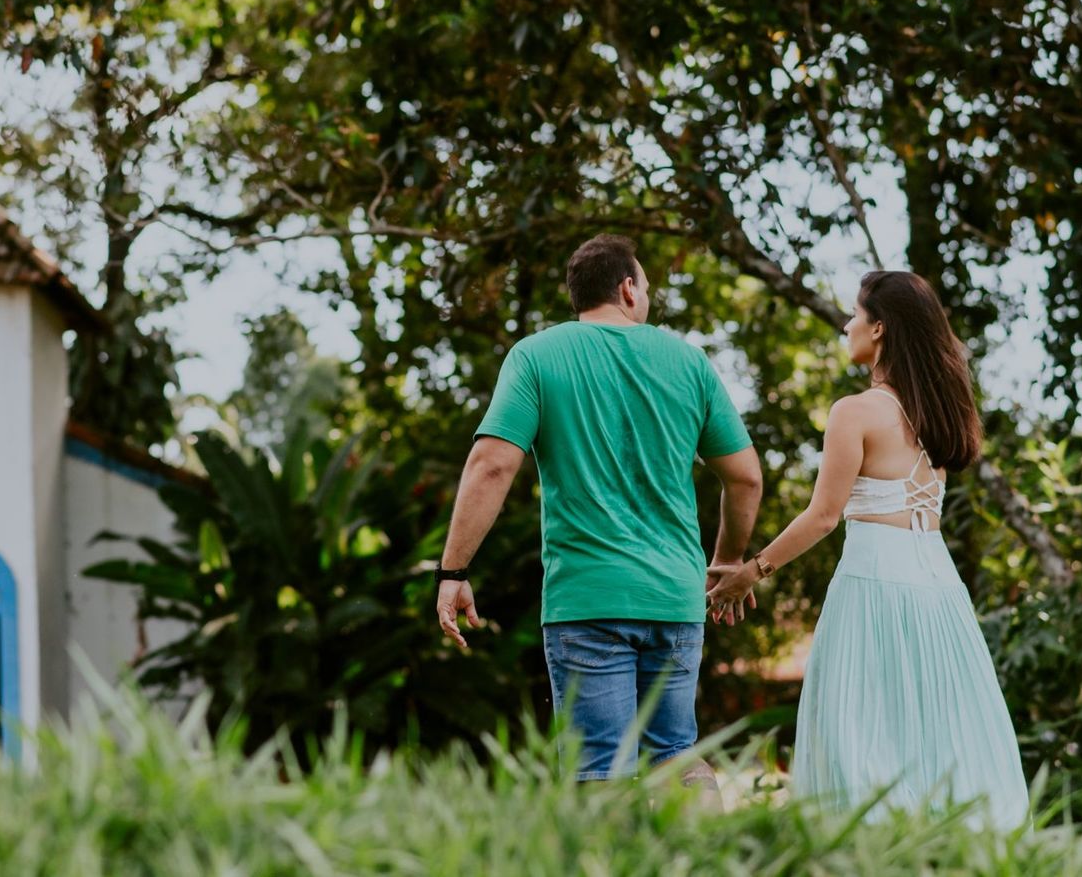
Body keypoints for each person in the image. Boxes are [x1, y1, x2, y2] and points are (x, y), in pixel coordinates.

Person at [433, 234, 764, 785]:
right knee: (675, 756)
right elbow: (746, 477)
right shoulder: (687, 362)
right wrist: (727, 560)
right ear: (628, 287)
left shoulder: (537, 356)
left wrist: (453, 571)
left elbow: (491, 465)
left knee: (598, 772)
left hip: (586, 598)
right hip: (674, 597)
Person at [705, 270, 1029, 829]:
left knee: (857, 730)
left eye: (855, 315)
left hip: (872, 585)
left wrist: (751, 571)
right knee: (942, 727)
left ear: (879, 329)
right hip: (939, 589)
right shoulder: (941, 412)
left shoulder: (854, 412)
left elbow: (824, 516)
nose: (848, 326)